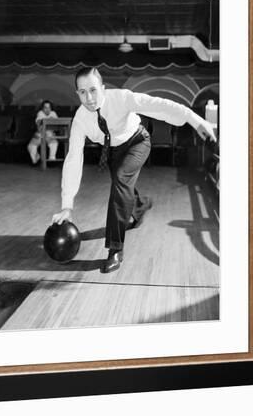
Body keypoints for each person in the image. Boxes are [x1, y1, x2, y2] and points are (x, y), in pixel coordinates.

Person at [51, 67, 217, 273]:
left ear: (103, 88)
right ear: (77, 93)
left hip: (137, 142)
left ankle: (115, 249)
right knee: (124, 186)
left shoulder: (121, 98)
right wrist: (67, 205)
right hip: (113, 150)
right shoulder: (80, 119)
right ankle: (140, 205)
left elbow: (158, 104)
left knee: (121, 180)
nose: (89, 97)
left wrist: (195, 119)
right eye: (82, 92)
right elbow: (73, 159)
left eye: (93, 90)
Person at [27, 100, 59, 165]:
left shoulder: (53, 113)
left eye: (49, 107)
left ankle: (51, 160)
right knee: (31, 146)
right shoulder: (40, 113)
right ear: (42, 108)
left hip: (50, 135)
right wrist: (48, 120)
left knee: (54, 143)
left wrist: (52, 120)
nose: (47, 109)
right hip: (40, 135)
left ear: (51, 108)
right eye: (45, 107)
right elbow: (39, 122)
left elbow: (57, 124)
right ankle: (36, 159)